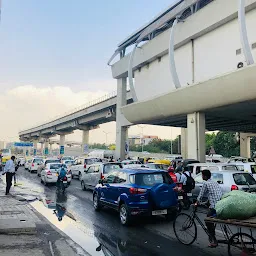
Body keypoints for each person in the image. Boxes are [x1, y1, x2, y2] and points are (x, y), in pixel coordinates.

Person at [196, 169, 222, 248]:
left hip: (214, 207)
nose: (202, 177)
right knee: (210, 219)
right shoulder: (214, 182)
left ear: (205, 176)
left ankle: (214, 240)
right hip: (220, 204)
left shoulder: (205, 183)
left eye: (202, 175)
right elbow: (212, 194)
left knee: (207, 221)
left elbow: (200, 195)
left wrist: (196, 203)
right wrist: (206, 202)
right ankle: (212, 237)